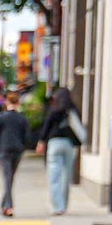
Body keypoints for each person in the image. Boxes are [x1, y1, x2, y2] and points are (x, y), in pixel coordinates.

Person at [37, 84, 85, 215]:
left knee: (54, 176)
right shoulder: (73, 110)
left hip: (55, 143)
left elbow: (46, 126)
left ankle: (57, 206)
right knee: (66, 176)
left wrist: (41, 141)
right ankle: (64, 204)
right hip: (70, 145)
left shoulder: (54, 110)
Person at [0, 93, 31, 215]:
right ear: (18, 103)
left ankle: (7, 206)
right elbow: (27, 137)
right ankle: (5, 205)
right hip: (17, 151)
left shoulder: (0, 118)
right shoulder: (23, 118)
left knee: (8, 178)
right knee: (10, 178)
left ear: (7, 102)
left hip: (4, 150)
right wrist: (22, 147)